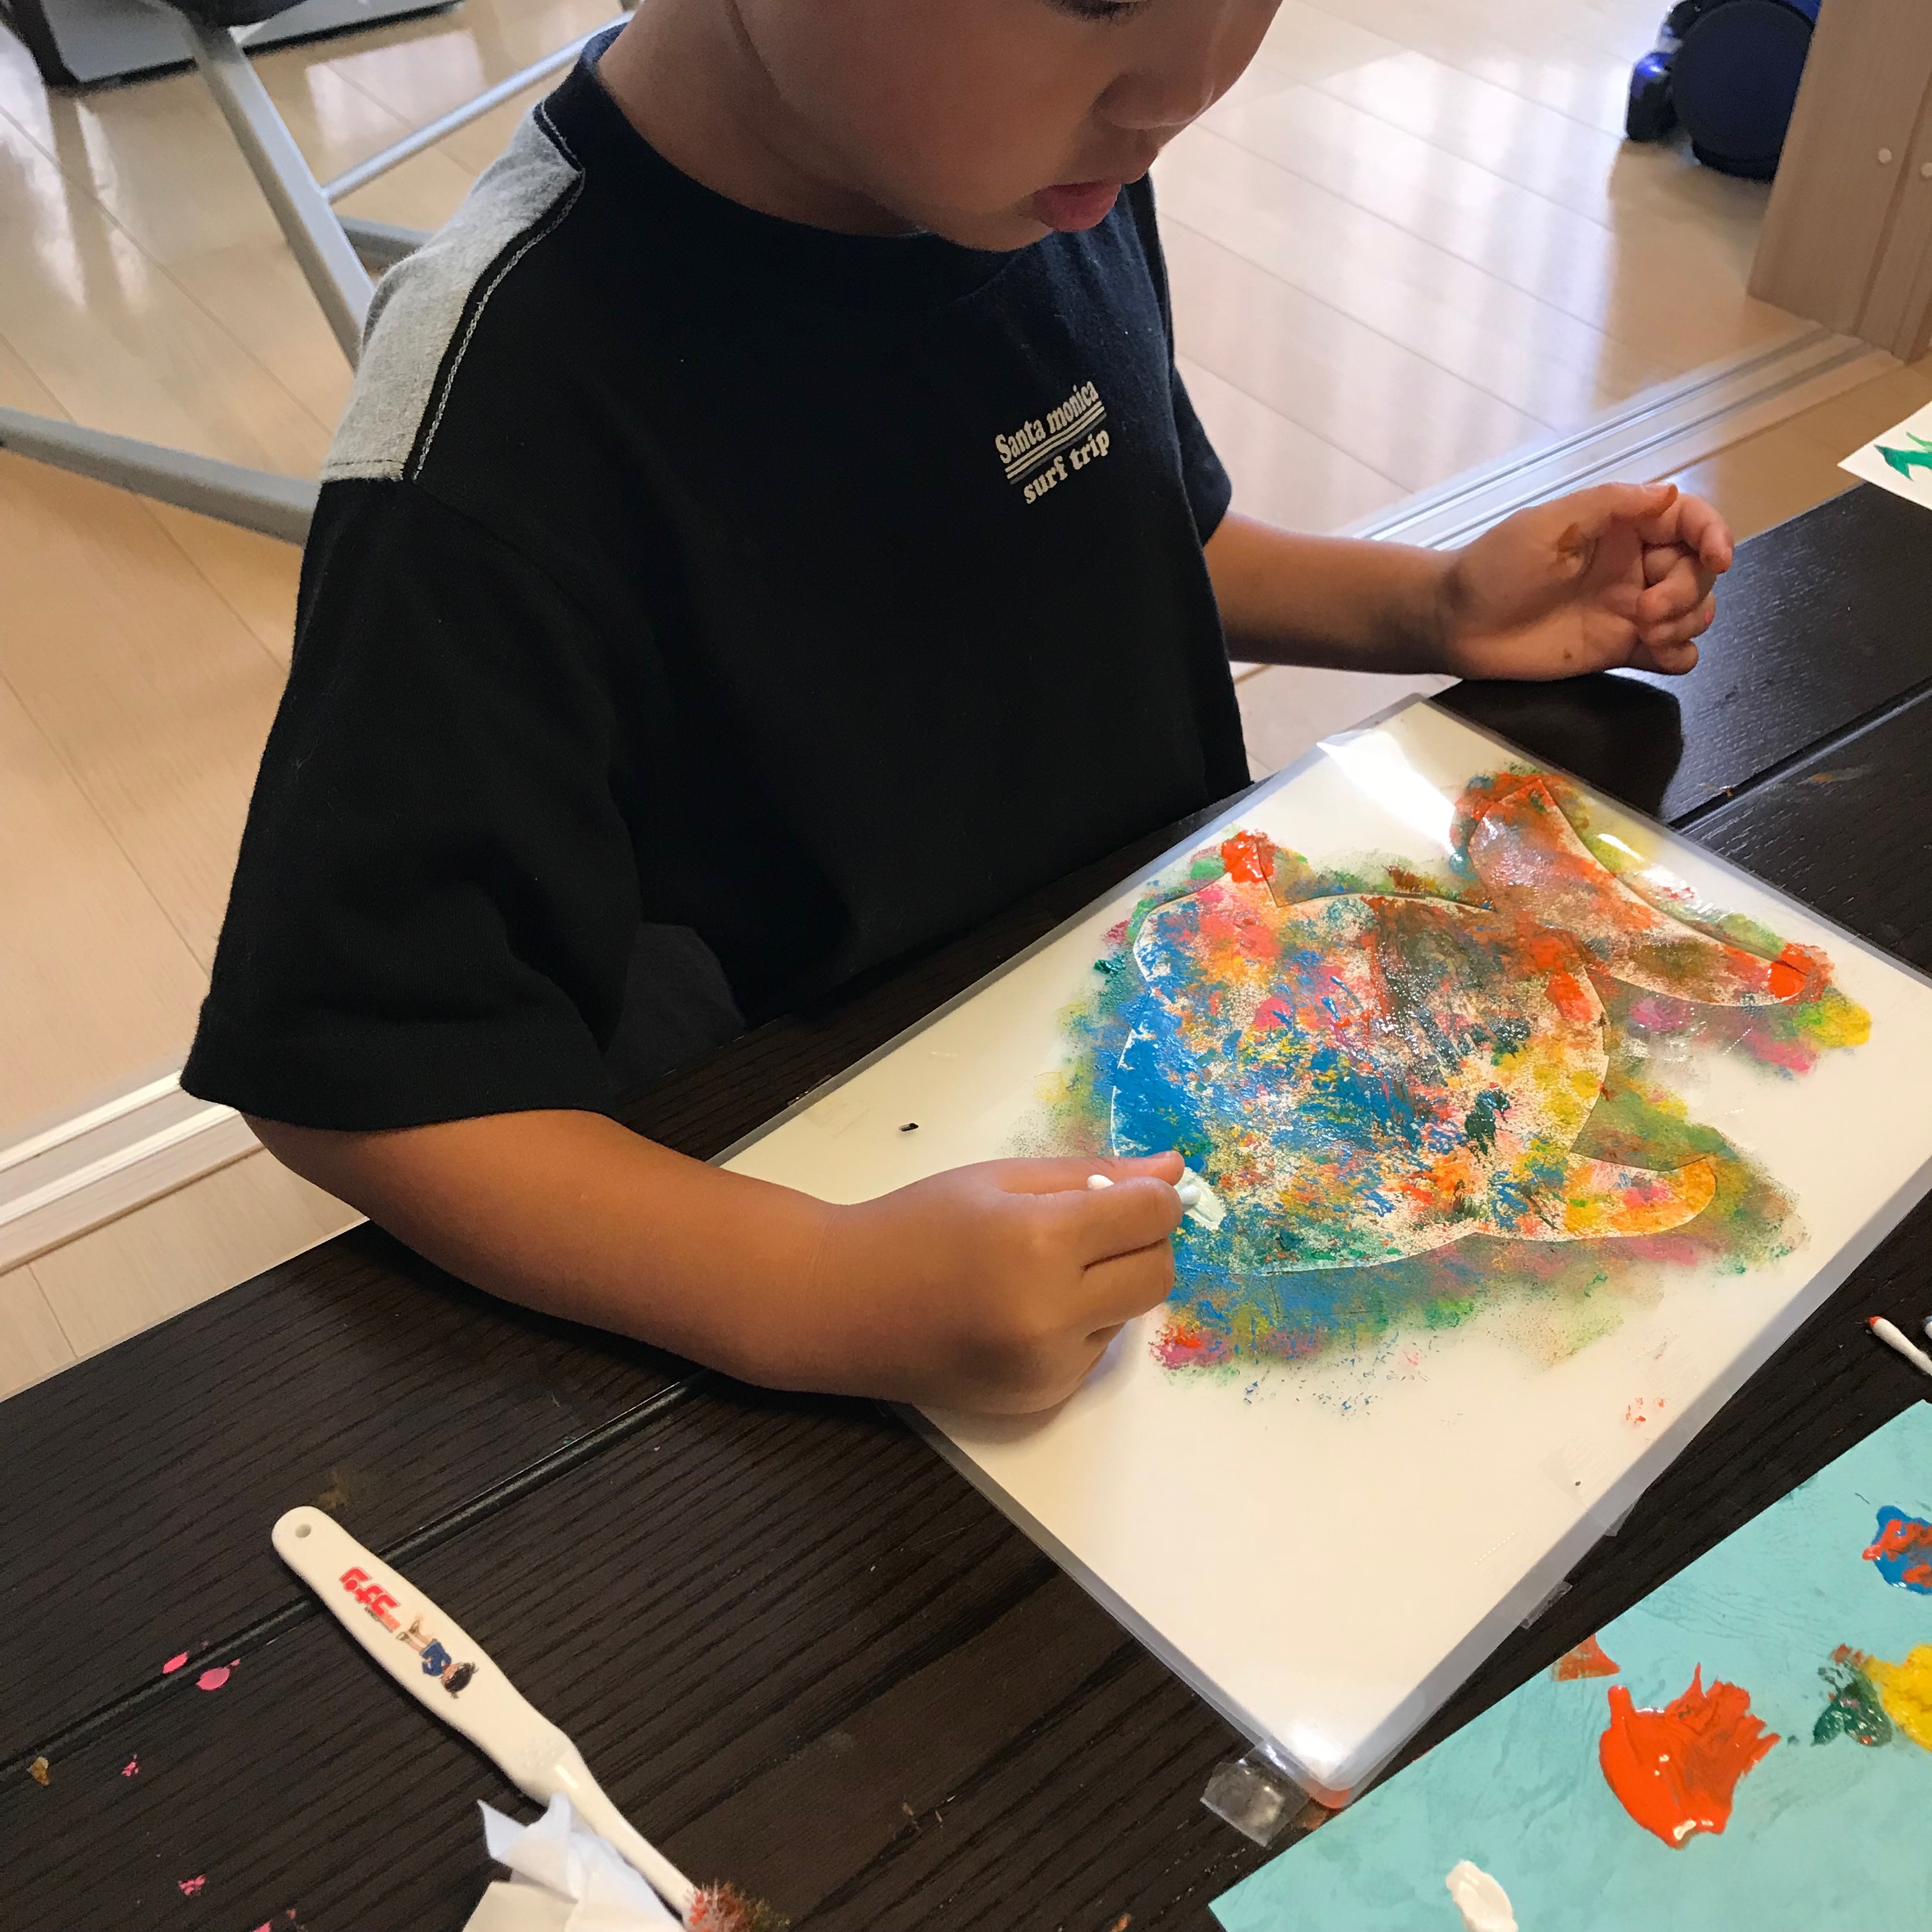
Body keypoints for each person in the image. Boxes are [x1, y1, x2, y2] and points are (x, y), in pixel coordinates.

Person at [183, 0, 1733, 1416]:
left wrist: (1427, 609)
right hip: (831, 1203)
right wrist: (806, 1287)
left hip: (1165, 1060)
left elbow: (1129, 530)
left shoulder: (1037, 172)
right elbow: (357, 1079)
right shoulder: (494, 428)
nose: (1184, 85)